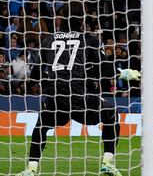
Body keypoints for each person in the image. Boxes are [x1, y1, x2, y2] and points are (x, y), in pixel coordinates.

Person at [17, 18, 140, 176]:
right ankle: (107, 162)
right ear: (82, 22)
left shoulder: (49, 39)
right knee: (112, 115)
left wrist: (44, 85)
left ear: (59, 22)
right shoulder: (88, 39)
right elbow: (105, 68)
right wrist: (123, 73)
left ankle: (31, 168)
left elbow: (35, 75)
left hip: (57, 99)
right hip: (81, 98)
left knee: (41, 126)